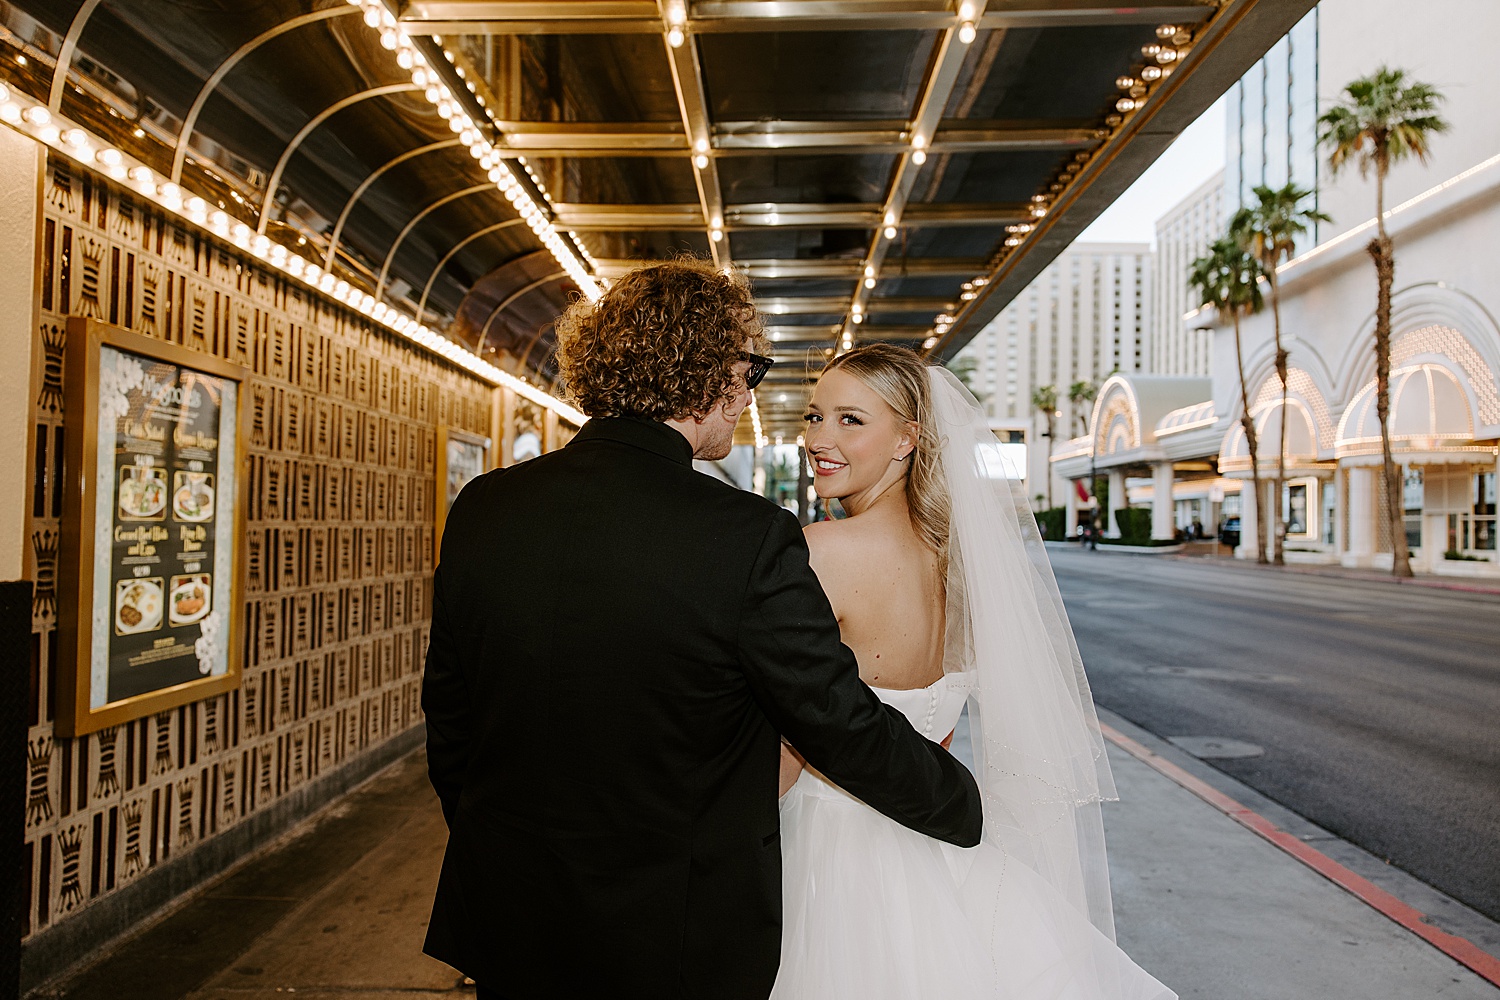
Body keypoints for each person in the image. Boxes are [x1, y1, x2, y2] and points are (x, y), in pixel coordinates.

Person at [420, 261, 982, 1000]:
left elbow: (451, 717)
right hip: (672, 932)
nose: (750, 394)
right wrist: (961, 801)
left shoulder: (484, 507)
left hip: (509, 913)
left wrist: (504, 843)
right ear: (710, 375)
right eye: (749, 371)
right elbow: (832, 719)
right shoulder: (747, 536)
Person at [772, 344, 1174, 1000]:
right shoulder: (959, 565)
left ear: (907, 438)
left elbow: (791, 742)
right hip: (938, 844)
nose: (820, 438)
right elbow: (939, 731)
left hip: (827, 851)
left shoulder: (818, 553)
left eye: (851, 420)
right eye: (816, 417)